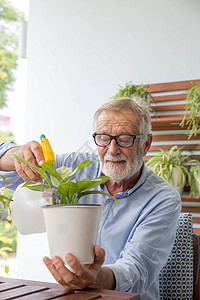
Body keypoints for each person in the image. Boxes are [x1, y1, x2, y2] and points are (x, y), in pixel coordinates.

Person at [0, 98, 181, 300]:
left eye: (125, 138)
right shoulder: (73, 167)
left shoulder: (163, 199)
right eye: (104, 138)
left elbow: (137, 270)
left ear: (146, 144)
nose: (112, 150)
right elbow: (7, 178)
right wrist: (15, 154)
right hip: (70, 294)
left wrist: (94, 278)